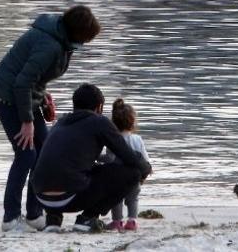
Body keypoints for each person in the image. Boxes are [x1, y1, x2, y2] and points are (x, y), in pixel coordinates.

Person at [0, 6, 102, 232]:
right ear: (77, 32)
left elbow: (34, 79)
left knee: (45, 152)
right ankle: (10, 218)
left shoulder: (61, 39)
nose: (87, 43)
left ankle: (34, 214)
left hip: (24, 94)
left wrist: (43, 97)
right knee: (26, 154)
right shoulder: (49, 45)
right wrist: (27, 121)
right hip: (6, 95)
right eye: (87, 37)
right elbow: (22, 83)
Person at [31, 84, 152, 233]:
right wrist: (146, 168)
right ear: (99, 107)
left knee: (66, 167)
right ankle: (88, 217)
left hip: (42, 196)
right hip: (71, 197)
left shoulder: (60, 123)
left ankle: (53, 220)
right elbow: (128, 156)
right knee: (133, 173)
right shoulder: (99, 122)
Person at [103, 99, 150, 232]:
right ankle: (132, 221)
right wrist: (143, 176)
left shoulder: (113, 140)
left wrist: (97, 159)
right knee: (133, 198)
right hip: (135, 177)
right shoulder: (138, 139)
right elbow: (145, 160)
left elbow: (109, 158)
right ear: (132, 122)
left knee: (116, 199)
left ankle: (117, 221)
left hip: (117, 178)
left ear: (114, 123)